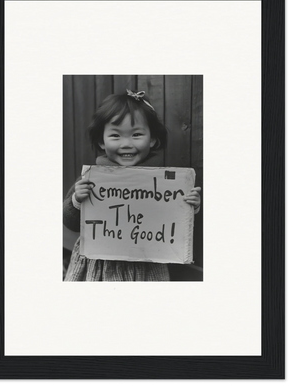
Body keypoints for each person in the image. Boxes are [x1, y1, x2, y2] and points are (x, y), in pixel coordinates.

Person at [63, 89, 201, 281]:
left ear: (152, 139)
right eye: (116, 136)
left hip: (147, 265)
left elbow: (173, 221)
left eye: (136, 134)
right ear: (102, 142)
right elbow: (69, 222)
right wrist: (77, 200)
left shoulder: (163, 185)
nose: (126, 144)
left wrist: (189, 205)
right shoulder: (91, 180)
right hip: (100, 265)